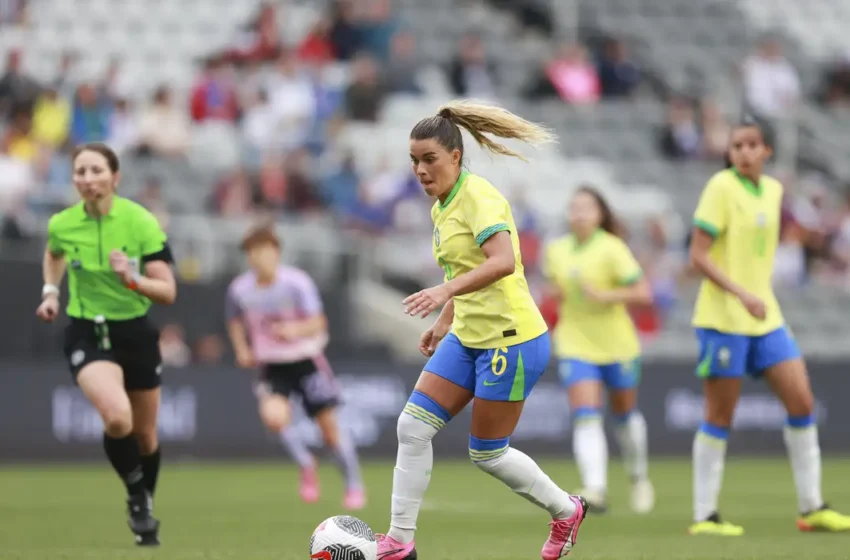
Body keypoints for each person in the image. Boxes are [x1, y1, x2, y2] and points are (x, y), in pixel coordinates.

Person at [376, 100, 589, 560]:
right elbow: (466, 267)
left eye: (429, 159)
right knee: (412, 427)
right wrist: (444, 319)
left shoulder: (479, 197)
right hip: (468, 336)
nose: (420, 169)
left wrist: (441, 291)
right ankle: (399, 542)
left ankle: (566, 510)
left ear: (455, 156)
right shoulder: (442, 208)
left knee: (487, 453)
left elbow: (503, 261)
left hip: (511, 340)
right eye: (414, 160)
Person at [688, 120, 850, 535]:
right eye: (736, 145)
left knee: (802, 402)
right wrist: (741, 292)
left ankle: (812, 507)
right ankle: (705, 515)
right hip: (724, 319)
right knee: (719, 415)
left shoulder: (775, 191)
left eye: (751, 144)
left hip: (767, 317)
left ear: (766, 152)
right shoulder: (720, 188)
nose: (742, 151)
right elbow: (699, 256)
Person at [35, 142, 176, 546]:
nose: (87, 178)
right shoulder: (62, 223)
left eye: (96, 170)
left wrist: (132, 279)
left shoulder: (141, 222)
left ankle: (144, 503)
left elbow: (167, 291)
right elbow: (54, 253)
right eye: (80, 171)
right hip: (88, 331)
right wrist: (50, 292)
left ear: (115, 177)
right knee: (118, 418)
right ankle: (137, 500)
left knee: (146, 436)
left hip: (135, 332)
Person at [225, 225, 365, 510]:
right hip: (271, 365)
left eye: (263, 251)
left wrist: (295, 329)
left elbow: (319, 322)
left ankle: (352, 483)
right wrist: (242, 349)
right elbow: (234, 320)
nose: (257, 258)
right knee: (274, 418)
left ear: (276, 253)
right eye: (252, 252)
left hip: (305, 359)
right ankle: (306, 463)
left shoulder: (296, 282)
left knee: (329, 431)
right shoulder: (240, 289)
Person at [543, 186, 655, 515]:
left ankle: (638, 478)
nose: (578, 213)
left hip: (617, 345)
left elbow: (643, 292)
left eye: (586, 208)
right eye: (573, 207)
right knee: (586, 415)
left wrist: (606, 296)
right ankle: (595, 488)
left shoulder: (612, 248)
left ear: (600, 214)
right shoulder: (557, 250)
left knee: (624, 416)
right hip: (575, 343)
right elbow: (556, 291)